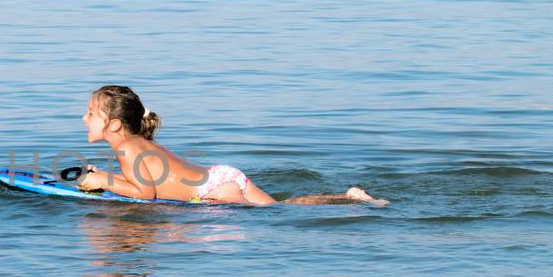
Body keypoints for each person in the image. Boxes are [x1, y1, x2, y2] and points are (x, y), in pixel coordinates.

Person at [75, 85, 386, 205]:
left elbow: (146, 193)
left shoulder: (127, 148)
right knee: (280, 208)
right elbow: (145, 180)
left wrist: (103, 180)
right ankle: (349, 198)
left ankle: (348, 200)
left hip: (212, 193)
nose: (83, 118)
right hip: (221, 176)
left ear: (113, 124)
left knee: (277, 213)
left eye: (90, 113)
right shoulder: (136, 143)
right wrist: (106, 176)